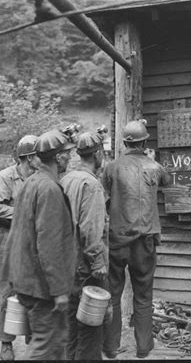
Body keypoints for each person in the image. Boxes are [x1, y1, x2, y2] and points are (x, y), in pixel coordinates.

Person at [5, 129, 77, 360]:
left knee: (54, 344)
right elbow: (49, 244)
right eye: (67, 153)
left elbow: (18, 234)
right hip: (41, 287)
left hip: (26, 278)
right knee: (45, 345)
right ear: (58, 157)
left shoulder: (30, 182)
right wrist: (59, 291)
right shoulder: (49, 189)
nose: (70, 157)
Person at [102, 119, 170, 359]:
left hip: (117, 239)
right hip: (146, 240)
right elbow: (167, 180)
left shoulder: (111, 167)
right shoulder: (155, 167)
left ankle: (110, 347)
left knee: (113, 293)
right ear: (145, 141)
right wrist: (151, 158)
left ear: (124, 143)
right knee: (143, 294)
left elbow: (105, 190)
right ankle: (143, 347)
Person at [0, 135, 38, 360]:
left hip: (33, 243)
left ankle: (32, 336)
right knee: (6, 293)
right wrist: (23, 215)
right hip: (8, 241)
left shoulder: (39, 178)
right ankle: (6, 342)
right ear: (28, 158)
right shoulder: (6, 177)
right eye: (38, 155)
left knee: (34, 291)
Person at [60, 129, 109, 360]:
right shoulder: (92, 185)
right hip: (85, 265)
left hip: (65, 262)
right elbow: (90, 230)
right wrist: (97, 262)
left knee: (70, 323)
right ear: (98, 154)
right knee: (90, 325)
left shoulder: (66, 179)